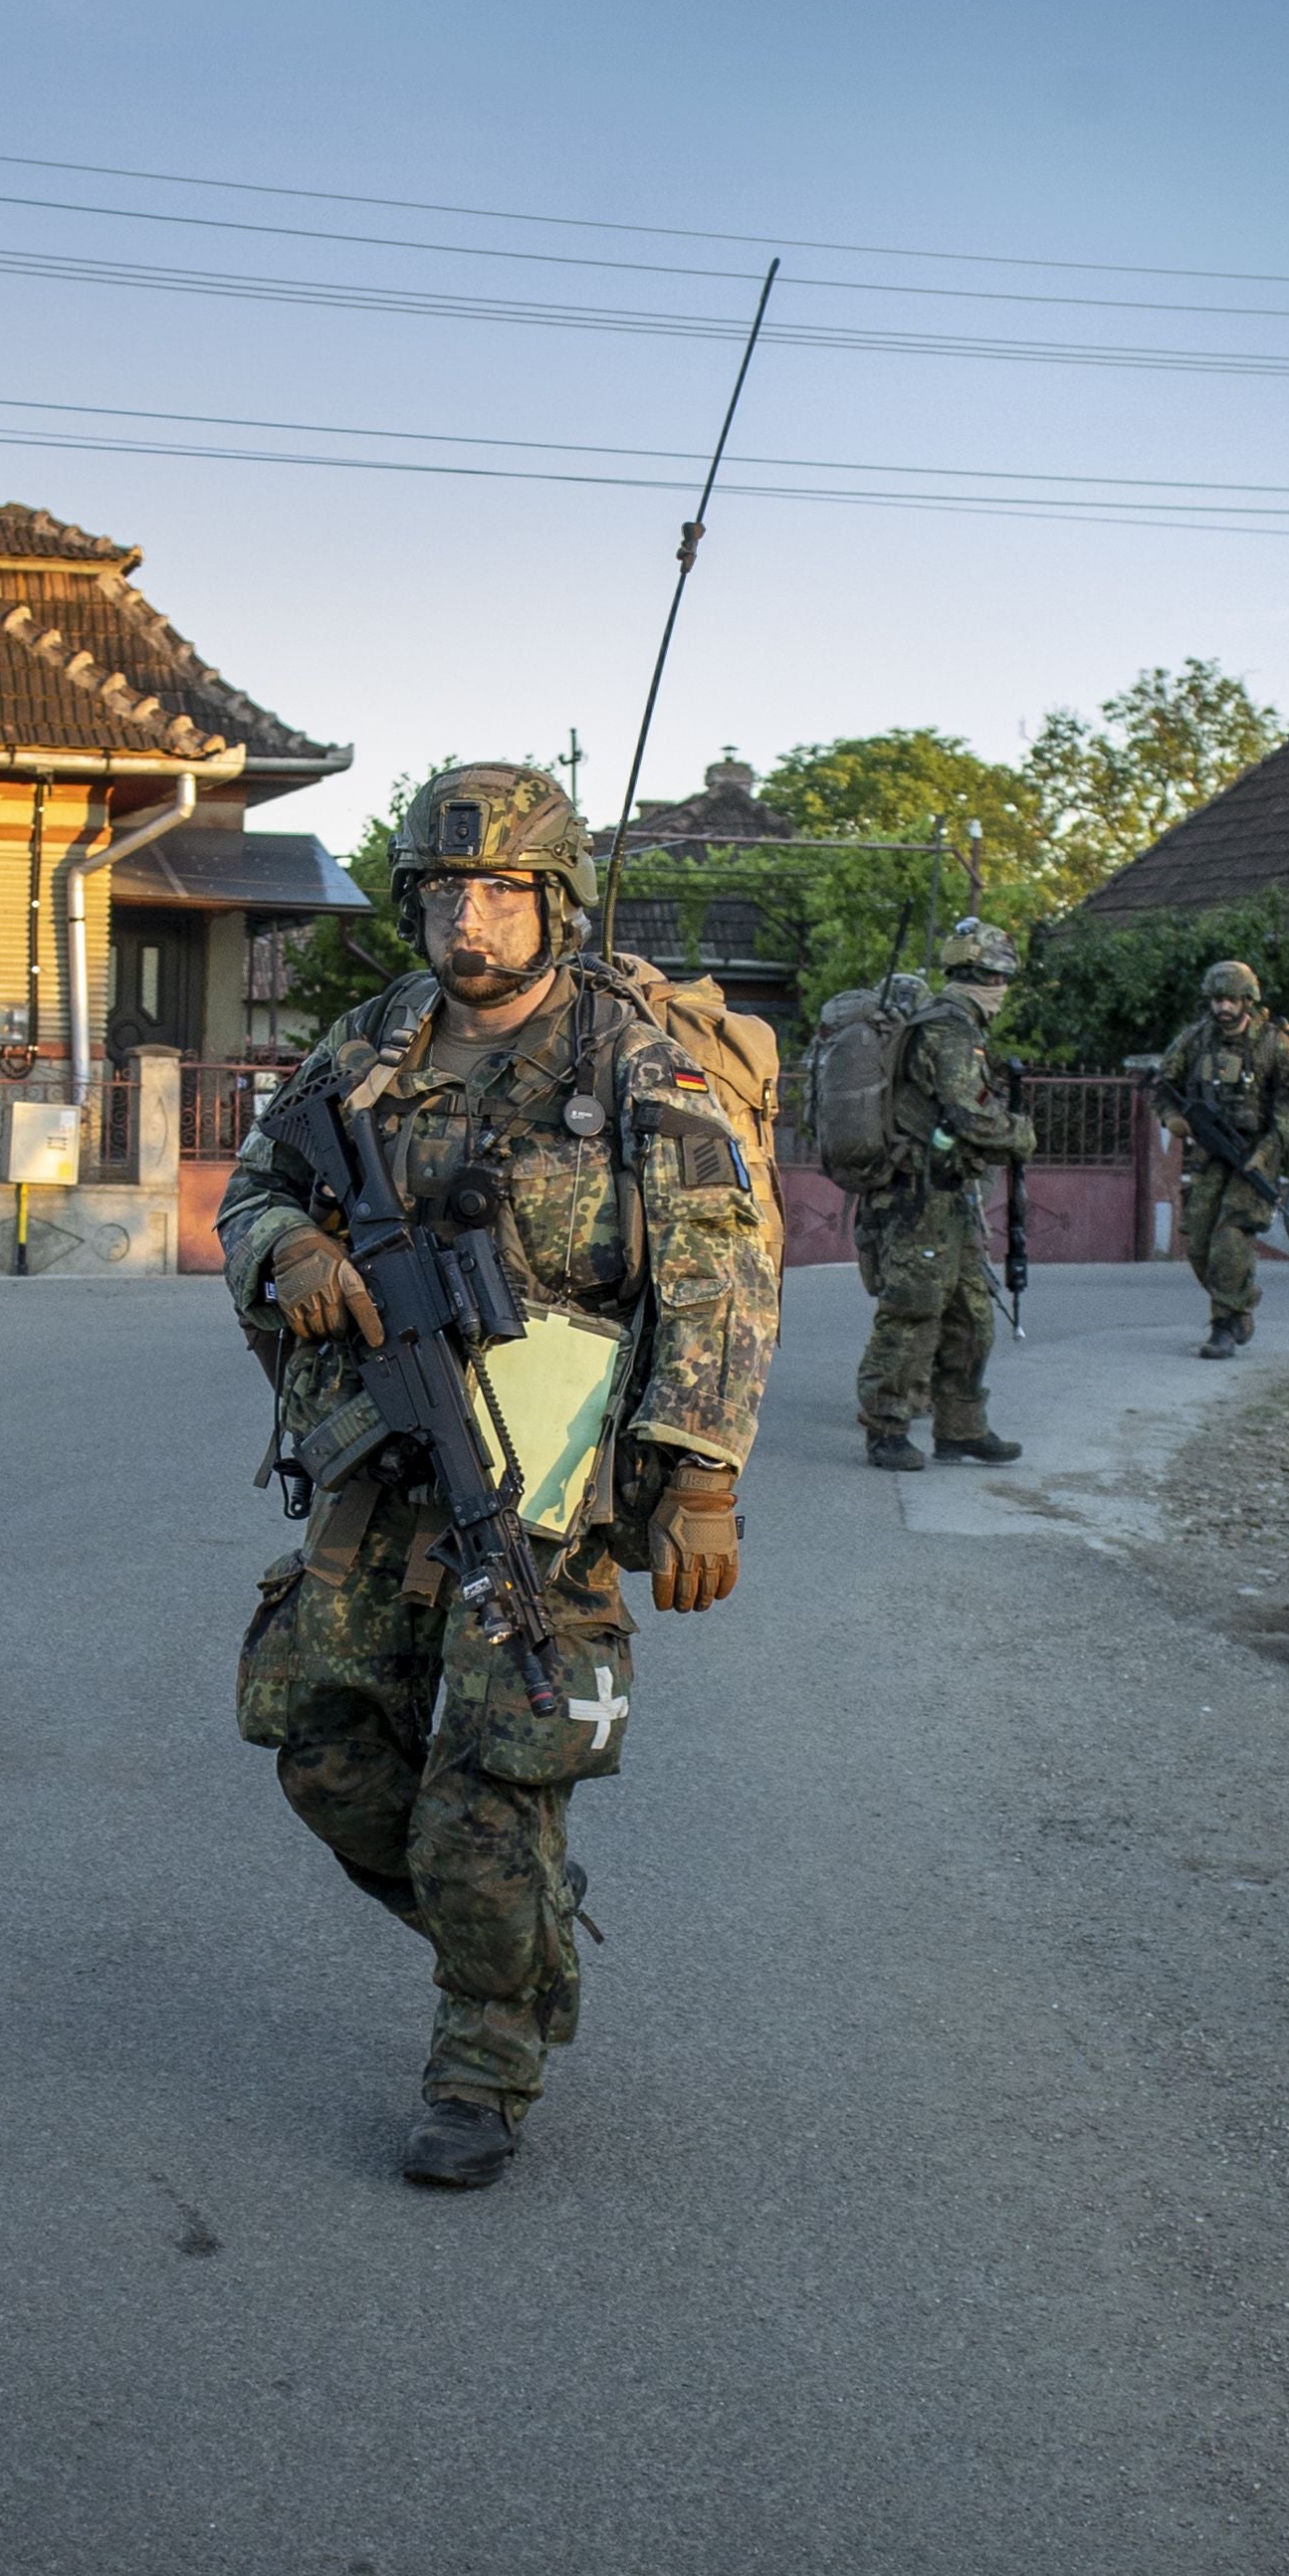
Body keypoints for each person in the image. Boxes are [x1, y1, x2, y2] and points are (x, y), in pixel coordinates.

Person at [221, 763, 776, 2191]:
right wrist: (289, 1250)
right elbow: (255, 1183)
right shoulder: (371, 1040)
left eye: (500, 891)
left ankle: (482, 2062)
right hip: (374, 1455)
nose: (468, 919)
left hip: (539, 1476)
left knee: (488, 1789)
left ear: (554, 902)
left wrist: (702, 1472)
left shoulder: (635, 1059)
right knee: (321, 1748)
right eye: (443, 891)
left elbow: (716, 1271)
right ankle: (517, 1933)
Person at [857, 919, 1035, 1472]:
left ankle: (961, 1428)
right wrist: (1020, 1133)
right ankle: (886, 1429)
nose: (1004, 993)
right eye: (1001, 980)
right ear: (990, 978)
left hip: (948, 1195)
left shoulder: (956, 1026)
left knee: (971, 1316)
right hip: (918, 1197)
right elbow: (969, 1114)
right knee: (912, 1312)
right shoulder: (948, 1029)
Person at [1155, 958, 1289, 1359]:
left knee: (1230, 1237)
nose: (1223, 1008)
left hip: (1258, 1152)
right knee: (1198, 1242)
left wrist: (1265, 1154)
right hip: (1212, 1154)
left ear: (1248, 1000)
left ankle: (1223, 1326)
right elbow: (1162, 1084)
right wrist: (1172, 1117)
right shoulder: (1195, 1040)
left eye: (1231, 1000)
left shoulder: (1273, 1043)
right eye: (1217, 1000)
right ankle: (1239, 1300)